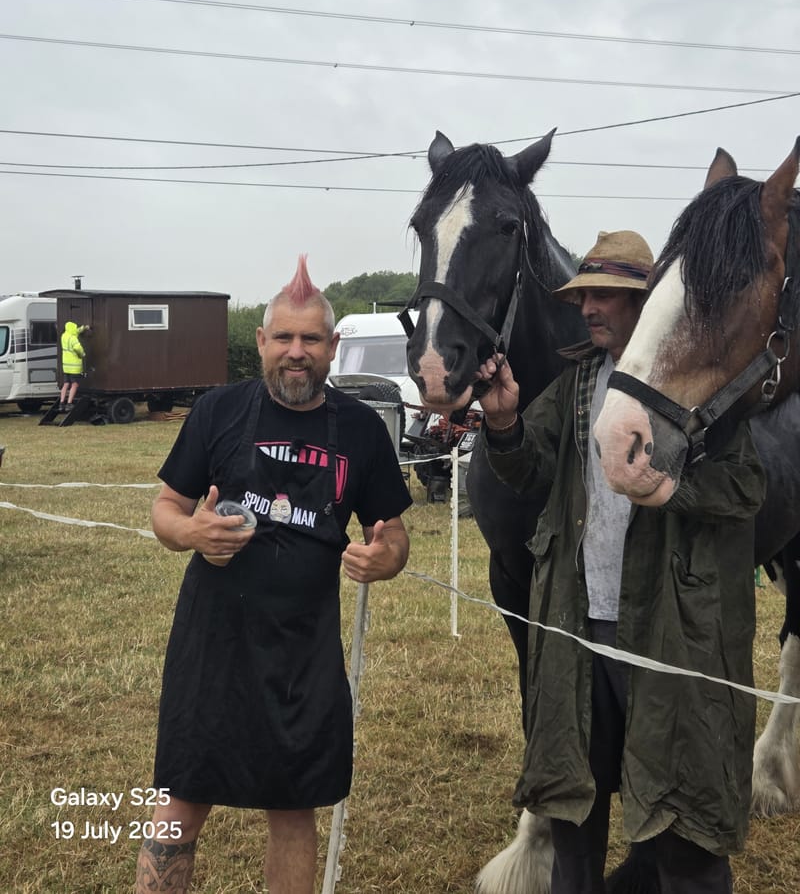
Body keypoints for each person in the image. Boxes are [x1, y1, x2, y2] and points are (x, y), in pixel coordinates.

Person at [476, 230, 766, 894]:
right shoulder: (577, 382)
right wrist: (502, 423)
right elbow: (528, 467)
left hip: (668, 637)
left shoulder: (698, 384)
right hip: (581, 633)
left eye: (607, 293)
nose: (589, 307)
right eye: (584, 294)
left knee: (679, 825)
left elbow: (748, 486)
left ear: (646, 302)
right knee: (575, 813)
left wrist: (674, 489)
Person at [135, 256, 412, 894]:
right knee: (181, 799)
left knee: (293, 806)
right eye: (283, 337)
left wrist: (384, 558)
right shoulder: (217, 412)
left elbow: (392, 533)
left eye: (310, 339)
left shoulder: (363, 431)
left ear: (332, 347)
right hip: (214, 642)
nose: (295, 352)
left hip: (303, 649)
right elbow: (165, 510)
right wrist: (189, 533)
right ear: (260, 342)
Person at [59, 320, 90, 411]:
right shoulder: (73, 338)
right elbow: (77, 348)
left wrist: (84, 328)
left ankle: (61, 404)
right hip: (74, 366)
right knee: (75, 384)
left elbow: (76, 331)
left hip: (66, 366)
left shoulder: (64, 336)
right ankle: (69, 403)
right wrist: (83, 354)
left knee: (66, 384)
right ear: (72, 329)